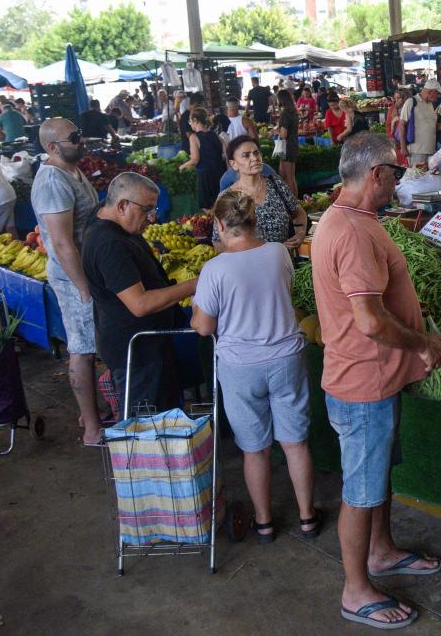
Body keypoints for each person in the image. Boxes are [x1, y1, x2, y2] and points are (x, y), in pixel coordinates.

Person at [311, 132, 441, 630]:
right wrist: (422, 344)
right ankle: (356, 589)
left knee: (375, 480)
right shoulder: (349, 232)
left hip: (376, 379)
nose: (399, 177)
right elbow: (368, 321)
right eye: (395, 171)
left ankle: (381, 551)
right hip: (362, 384)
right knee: (360, 491)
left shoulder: (354, 219)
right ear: (375, 175)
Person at [191, 190, 320, 544]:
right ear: (254, 219)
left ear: (218, 225)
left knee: (255, 448)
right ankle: (308, 517)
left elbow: (204, 327)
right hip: (286, 359)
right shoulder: (278, 252)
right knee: (295, 443)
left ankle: (264, 523)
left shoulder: (213, 269)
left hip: (240, 367)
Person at [82, 172, 197, 413]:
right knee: (148, 431)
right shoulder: (109, 244)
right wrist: (196, 283)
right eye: (146, 210)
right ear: (122, 206)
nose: (152, 219)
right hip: (138, 354)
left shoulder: (109, 221)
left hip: (147, 345)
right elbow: (140, 304)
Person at [31, 119, 104, 445]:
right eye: (74, 137)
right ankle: (91, 429)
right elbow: (61, 243)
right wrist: (83, 288)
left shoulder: (73, 170)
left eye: (79, 133)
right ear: (52, 147)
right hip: (74, 277)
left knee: (90, 344)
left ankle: (89, 413)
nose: (81, 139)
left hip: (87, 271)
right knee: (83, 348)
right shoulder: (52, 181)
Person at [216, 135, 306, 251]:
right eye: (246, 155)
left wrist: (300, 233)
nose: (254, 158)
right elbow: (218, 241)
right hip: (249, 266)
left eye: (256, 153)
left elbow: (298, 213)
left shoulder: (276, 183)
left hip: (282, 263)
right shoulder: (226, 197)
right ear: (234, 164)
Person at [178, 107, 225, 210]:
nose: (190, 124)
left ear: (195, 120)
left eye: (190, 121)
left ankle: (215, 225)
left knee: (208, 208)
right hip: (219, 172)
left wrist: (183, 166)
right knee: (219, 203)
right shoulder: (216, 135)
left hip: (206, 176)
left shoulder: (194, 137)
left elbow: (195, 159)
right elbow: (224, 153)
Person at [401, 79, 441, 166]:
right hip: (417, 152)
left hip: (431, 151)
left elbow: (432, 126)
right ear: (430, 92)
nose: (438, 96)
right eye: (437, 93)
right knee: (417, 177)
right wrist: (403, 146)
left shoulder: (430, 105)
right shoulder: (411, 102)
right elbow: (401, 125)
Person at [275, 89, 300, 198]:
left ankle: (296, 205)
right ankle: (287, 200)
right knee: (283, 175)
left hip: (286, 146)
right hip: (290, 145)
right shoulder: (292, 110)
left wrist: (274, 131)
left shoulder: (285, 113)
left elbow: (284, 134)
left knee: (289, 177)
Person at [387, 87, 411, 166]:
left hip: (407, 142)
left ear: (405, 98)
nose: (396, 101)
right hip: (396, 143)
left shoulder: (410, 109)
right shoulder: (392, 109)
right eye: (395, 98)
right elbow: (388, 125)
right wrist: (391, 138)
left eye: (398, 98)